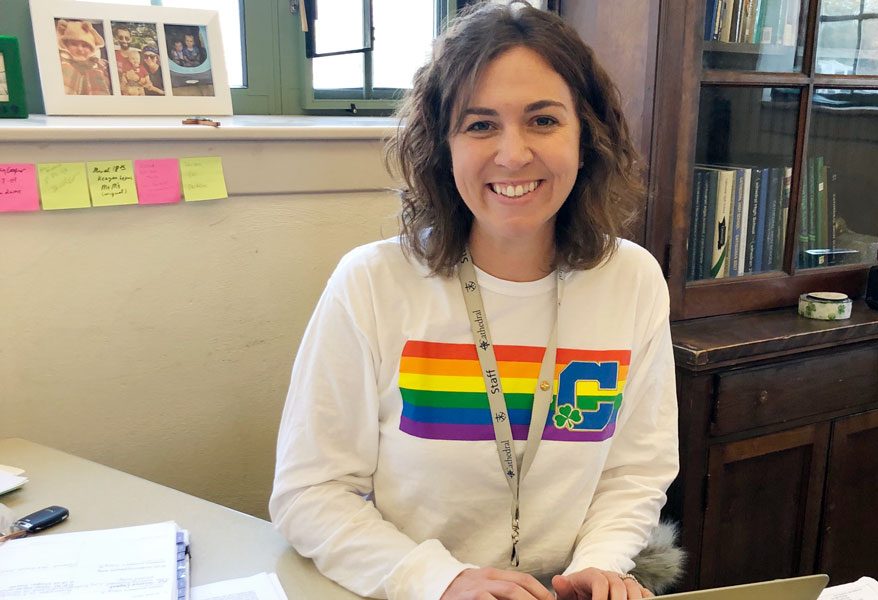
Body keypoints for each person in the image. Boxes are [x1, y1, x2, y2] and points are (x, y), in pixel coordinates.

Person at [269, 3, 678, 600]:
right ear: (443, 144)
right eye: (480, 125)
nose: (512, 155)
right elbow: (309, 492)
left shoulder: (633, 280)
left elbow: (634, 471)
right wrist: (439, 580)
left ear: (586, 137)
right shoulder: (371, 284)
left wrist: (602, 564)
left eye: (543, 120)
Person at [56, 19, 111, 96]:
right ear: (65, 45)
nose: (80, 49)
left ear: (92, 49)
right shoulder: (59, 62)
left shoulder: (100, 65)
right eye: (74, 44)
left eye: (85, 45)